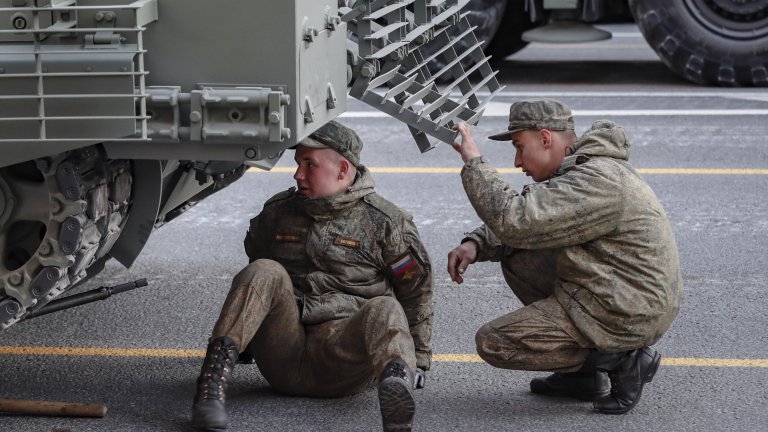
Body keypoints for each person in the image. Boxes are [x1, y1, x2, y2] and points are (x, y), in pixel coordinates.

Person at [191, 121, 433, 431]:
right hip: (283, 353)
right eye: (297, 164)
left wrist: (421, 359)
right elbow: (256, 282)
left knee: (385, 308)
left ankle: (398, 390)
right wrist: (248, 340)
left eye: (310, 165)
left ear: (342, 170)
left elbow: (416, 289)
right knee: (264, 269)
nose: (297, 174)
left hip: (343, 362)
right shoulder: (278, 212)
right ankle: (210, 391)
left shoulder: (386, 222)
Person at [447, 99, 683, 414]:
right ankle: (583, 378)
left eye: (520, 147)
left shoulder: (595, 180)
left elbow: (516, 221)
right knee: (519, 254)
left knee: (495, 343)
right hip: (617, 291)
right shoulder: (582, 169)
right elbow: (539, 219)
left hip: (630, 310)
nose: (518, 161)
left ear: (546, 139)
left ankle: (623, 359)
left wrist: (474, 161)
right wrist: (476, 242)